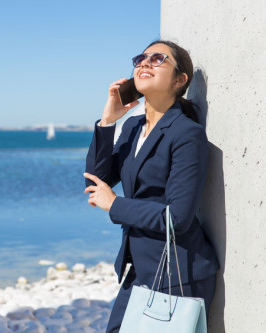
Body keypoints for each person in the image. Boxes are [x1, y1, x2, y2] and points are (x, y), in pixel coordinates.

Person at [84, 40, 219, 333]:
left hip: (178, 273)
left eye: (158, 59)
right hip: (140, 270)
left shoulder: (186, 134)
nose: (144, 63)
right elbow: (95, 181)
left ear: (179, 80)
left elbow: (177, 218)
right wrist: (108, 122)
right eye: (140, 58)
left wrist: (115, 205)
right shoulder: (133, 128)